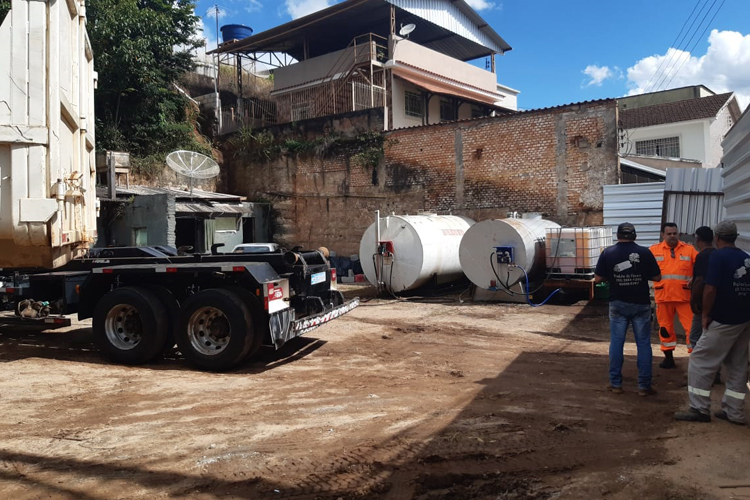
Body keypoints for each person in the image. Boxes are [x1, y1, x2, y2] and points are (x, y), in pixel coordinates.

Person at [675, 220, 750, 424]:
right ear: (735, 237)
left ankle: (699, 409)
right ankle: (734, 412)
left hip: (724, 318)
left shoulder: (717, 256)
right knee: (737, 365)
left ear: (717, 238)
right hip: (744, 319)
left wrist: (706, 314)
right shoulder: (745, 258)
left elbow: (710, 288)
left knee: (700, 361)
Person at [595, 222, 662, 396]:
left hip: (618, 303)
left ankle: (616, 384)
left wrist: (614, 276)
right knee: (644, 344)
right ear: (635, 236)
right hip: (641, 303)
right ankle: (644, 387)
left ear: (618, 236)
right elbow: (657, 276)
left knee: (617, 342)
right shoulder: (645, 252)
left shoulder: (608, 253)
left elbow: (597, 278)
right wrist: (640, 273)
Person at [650, 222, 698, 368]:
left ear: (678, 234)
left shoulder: (689, 250)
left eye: (674, 233)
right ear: (663, 235)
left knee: (692, 329)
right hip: (663, 296)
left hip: (684, 297)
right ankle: (668, 357)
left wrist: (695, 278)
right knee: (665, 328)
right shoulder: (653, 251)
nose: (672, 236)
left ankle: (696, 359)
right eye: (669, 234)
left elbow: (702, 267)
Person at [689, 226, 716, 350]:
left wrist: (697, 304)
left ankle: (699, 366)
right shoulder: (717, 254)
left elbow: (701, 283)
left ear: (698, 239)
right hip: (716, 303)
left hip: (703, 304)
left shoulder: (701, 256)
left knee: (695, 336)